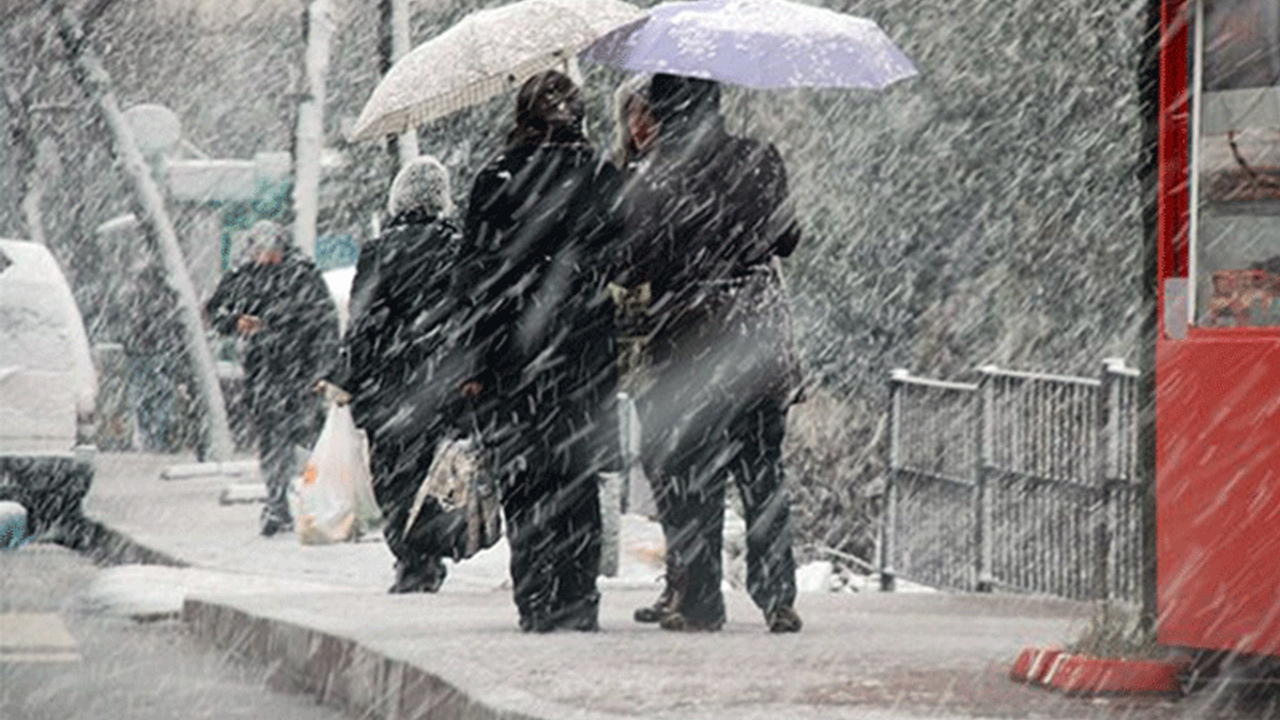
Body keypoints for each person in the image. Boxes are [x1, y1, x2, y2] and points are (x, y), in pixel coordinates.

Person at [623, 73, 805, 633]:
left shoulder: (653, 176)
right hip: (754, 339)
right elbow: (787, 239)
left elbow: (634, 262)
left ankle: (699, 599)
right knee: (761, 472)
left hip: (689, 341)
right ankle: (777, 596)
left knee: (688, 474)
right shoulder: (758, 158)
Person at [457, 69, 624, 632]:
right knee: (577, 479)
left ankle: (535, 598)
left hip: (514, 357)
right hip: (583, 356)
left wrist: (477, 362)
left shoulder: (495, 179)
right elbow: (619, 255)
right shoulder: (599, 173)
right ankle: (579, 598)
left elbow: (474, 278)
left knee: (525, 481)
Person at [336, 155, 468, 593]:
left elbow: (363, 323)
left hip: (388, 386)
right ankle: (429, 551)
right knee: (436, 472)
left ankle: (410, 558)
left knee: (393, 475)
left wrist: (347, 377)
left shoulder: (380, 251)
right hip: (441, 381)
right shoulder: (460, 247)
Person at [205, 220, 341, 537]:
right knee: (272, 441)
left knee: (313, 438)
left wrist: (321, 370)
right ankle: (278, 505)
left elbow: (324, 324)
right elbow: (215, 311)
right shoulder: (244, 276)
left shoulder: (303, 275)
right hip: (263, 373)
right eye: (257, 250)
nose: (263, 257)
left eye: (269, 250)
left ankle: (331, 501)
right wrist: (236, 322)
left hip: (299, 371)